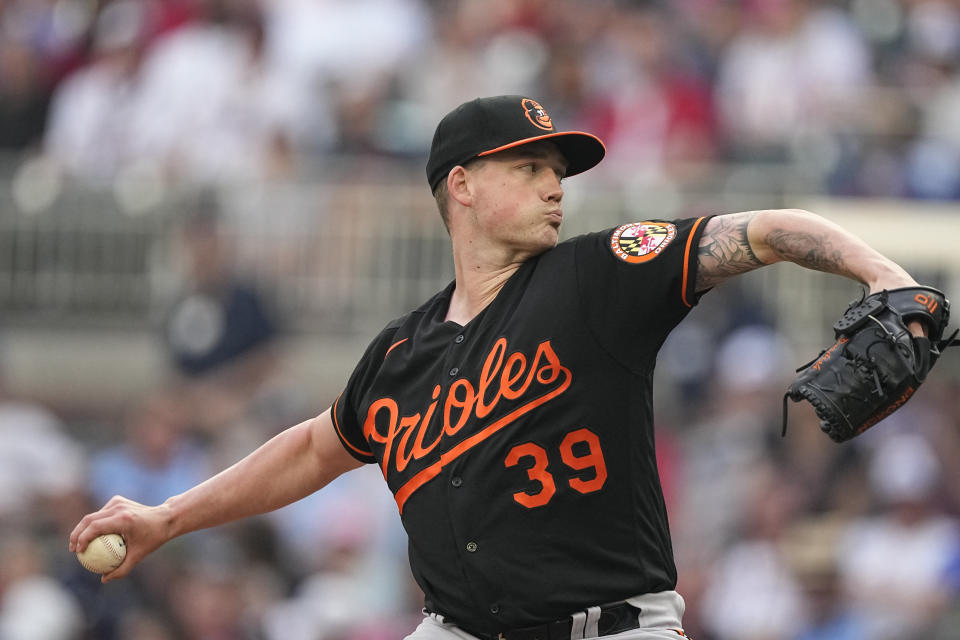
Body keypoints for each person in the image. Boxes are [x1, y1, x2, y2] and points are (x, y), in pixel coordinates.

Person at [70, 95, 928, 640]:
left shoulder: (601, 275)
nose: (556, 185)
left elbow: (762, 231)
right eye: (530, 167)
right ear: (463, 186)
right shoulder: (400, 356)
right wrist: (167, 518)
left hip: (615, 629)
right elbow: (308, 450)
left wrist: (881, 273)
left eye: (558, 170)